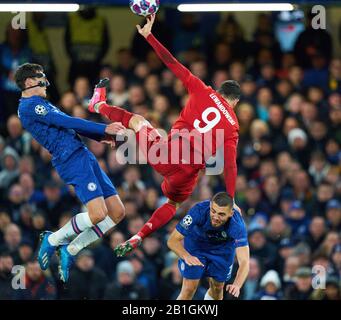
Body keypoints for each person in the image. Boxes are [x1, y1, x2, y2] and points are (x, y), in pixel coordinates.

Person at [88, 14, 241, 257]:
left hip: (164, 155)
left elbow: (172, 63)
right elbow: (230, 165)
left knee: (138, 120)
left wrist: (149, 36)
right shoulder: (233, 125)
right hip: (187, 173)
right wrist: (230, 200)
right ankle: (140, 235)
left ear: (219, 91)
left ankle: (98, 105)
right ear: (234, 103)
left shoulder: (203, 90)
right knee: (173, 204)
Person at [14, 63, 126, 282]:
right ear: (28, 82)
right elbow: (65, 121)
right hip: (70, 158)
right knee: (97, 214)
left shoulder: (41, 104)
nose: (46, 81)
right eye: (41, 77)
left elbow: (68, 126)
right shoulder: (29, 106)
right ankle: (53, 239)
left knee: (117, 212)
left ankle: (70, 250)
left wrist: (102, 137)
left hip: (82, 154)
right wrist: (103, 128)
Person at [167, 192, 249, 300]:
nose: (215, 217)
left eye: (221, 214)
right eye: (213, 211)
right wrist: (186, 256)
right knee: (189, 288)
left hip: (223, 250)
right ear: (210, 206)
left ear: (231, 213)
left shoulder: (238, 225)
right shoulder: (198, 211)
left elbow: (244, 261)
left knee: (218, 288)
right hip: (196, 246)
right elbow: (172, 241)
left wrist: (237, 285)